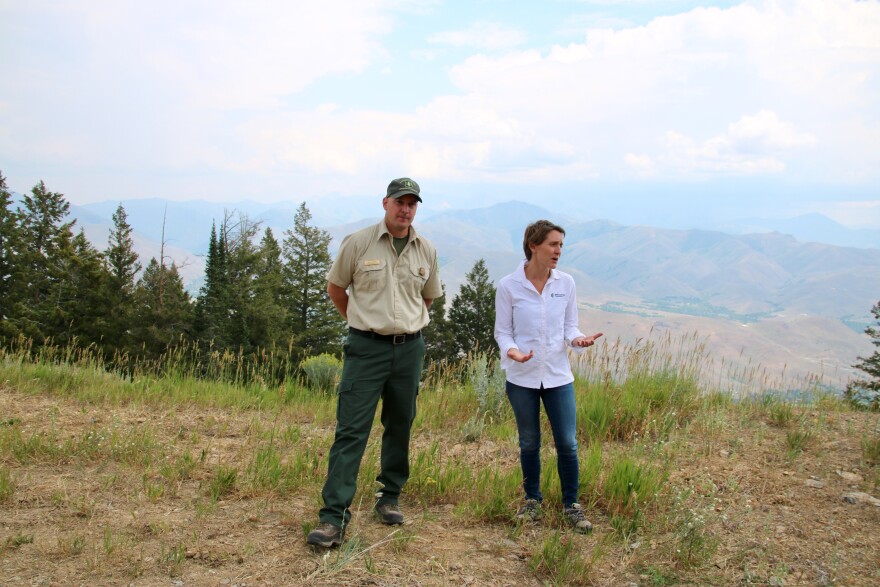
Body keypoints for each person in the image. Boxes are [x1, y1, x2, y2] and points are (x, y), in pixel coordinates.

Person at [306, 177, 443, 548]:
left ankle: (389, 497)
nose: (406, 209)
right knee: (351, 430)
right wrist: (363, 322)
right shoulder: (359, 243)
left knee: (400, 423)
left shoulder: (425, 249)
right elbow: (337, 289)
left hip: (409, 350)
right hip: (365, 349)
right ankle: (333, 517)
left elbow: (428, 299)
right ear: (385, 203)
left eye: (413, 203)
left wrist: (403, 328)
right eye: (400, 202)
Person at [494, 219, 603, 533]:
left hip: (558, 376)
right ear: (534, 245)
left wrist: (578, 340)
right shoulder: (508, 286)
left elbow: (570, 327)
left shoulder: (566, 283)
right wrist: (512, 351)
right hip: (521, 378)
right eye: (553, 244)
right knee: (529, 442)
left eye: (561, 245)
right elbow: (503, 332)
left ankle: (572, 506)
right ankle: (532, 503)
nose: (558, 251)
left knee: (568, 443)